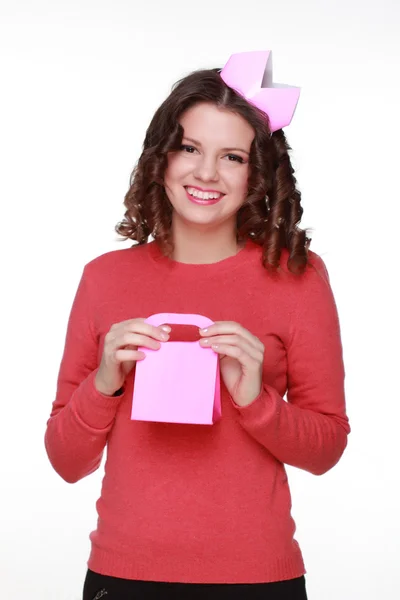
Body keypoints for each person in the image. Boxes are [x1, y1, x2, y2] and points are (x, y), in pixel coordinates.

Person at [45, 51, 350, 600]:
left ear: (257, 174)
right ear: (161, 157)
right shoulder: (104, 278)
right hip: (123, 576)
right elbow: (66, 461)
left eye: (232, 156)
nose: (206, 173)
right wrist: (105, 382)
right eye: (190, 148)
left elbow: (326, 448)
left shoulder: (298, 278)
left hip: (258, 578)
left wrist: (256, 399)